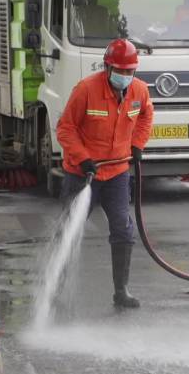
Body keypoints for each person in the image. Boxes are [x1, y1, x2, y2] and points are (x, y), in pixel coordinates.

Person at [56, 39, 153, 308]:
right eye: (120, 71)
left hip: (117, 173)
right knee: (69, 230)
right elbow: (66, 128)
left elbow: (145, 116)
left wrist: (137, 144)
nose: (125, 76)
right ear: (107, 67)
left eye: (129, 72)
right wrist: (83, 158)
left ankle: (121, 291)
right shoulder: (86, 89)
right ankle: (56, 288)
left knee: (123, 229)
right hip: (82, 173)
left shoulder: (140, 91)